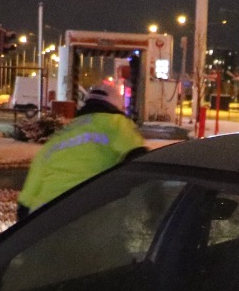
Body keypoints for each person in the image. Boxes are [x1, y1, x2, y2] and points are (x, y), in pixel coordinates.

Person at [16, 85, 146, 220]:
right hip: (85, 214)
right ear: (116, 106)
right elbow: (139, 158)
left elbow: (27, 196)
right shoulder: (117, 123)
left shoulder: (63, 133)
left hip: (43, 219)